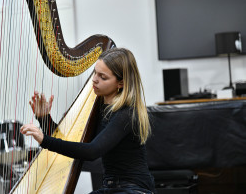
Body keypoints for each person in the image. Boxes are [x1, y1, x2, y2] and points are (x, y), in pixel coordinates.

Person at [20, 48, 156, 194]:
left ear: (121, 83)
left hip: (133, 189)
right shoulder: (98, 107)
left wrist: (44, 140)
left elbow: (92, 151)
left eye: (103, 77)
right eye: (95, 73)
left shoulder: (127, 114)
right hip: (110, 188)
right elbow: (71, 144)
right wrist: (44, 118)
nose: (95, 79)